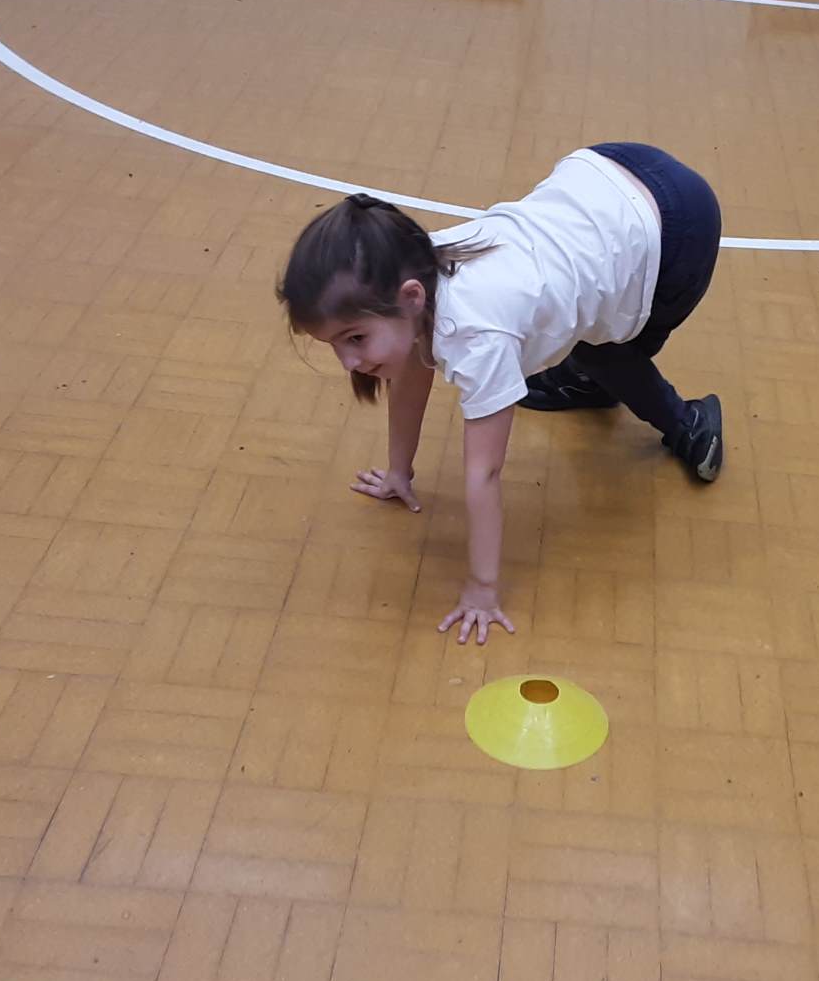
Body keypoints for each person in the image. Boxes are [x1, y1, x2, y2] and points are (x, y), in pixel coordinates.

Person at [277, 142, 723, 644]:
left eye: (355, 339)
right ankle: (589, 380)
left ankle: (688, 423)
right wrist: (399, 472)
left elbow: (484, 473)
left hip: (678, 231)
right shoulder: (411, 268)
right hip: (607, 173)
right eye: (336, 345)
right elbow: (410, 376)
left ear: (411, 299)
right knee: (588, 341)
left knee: (609, 355)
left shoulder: (478, 337)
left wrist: (482, 590)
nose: (348, 362)